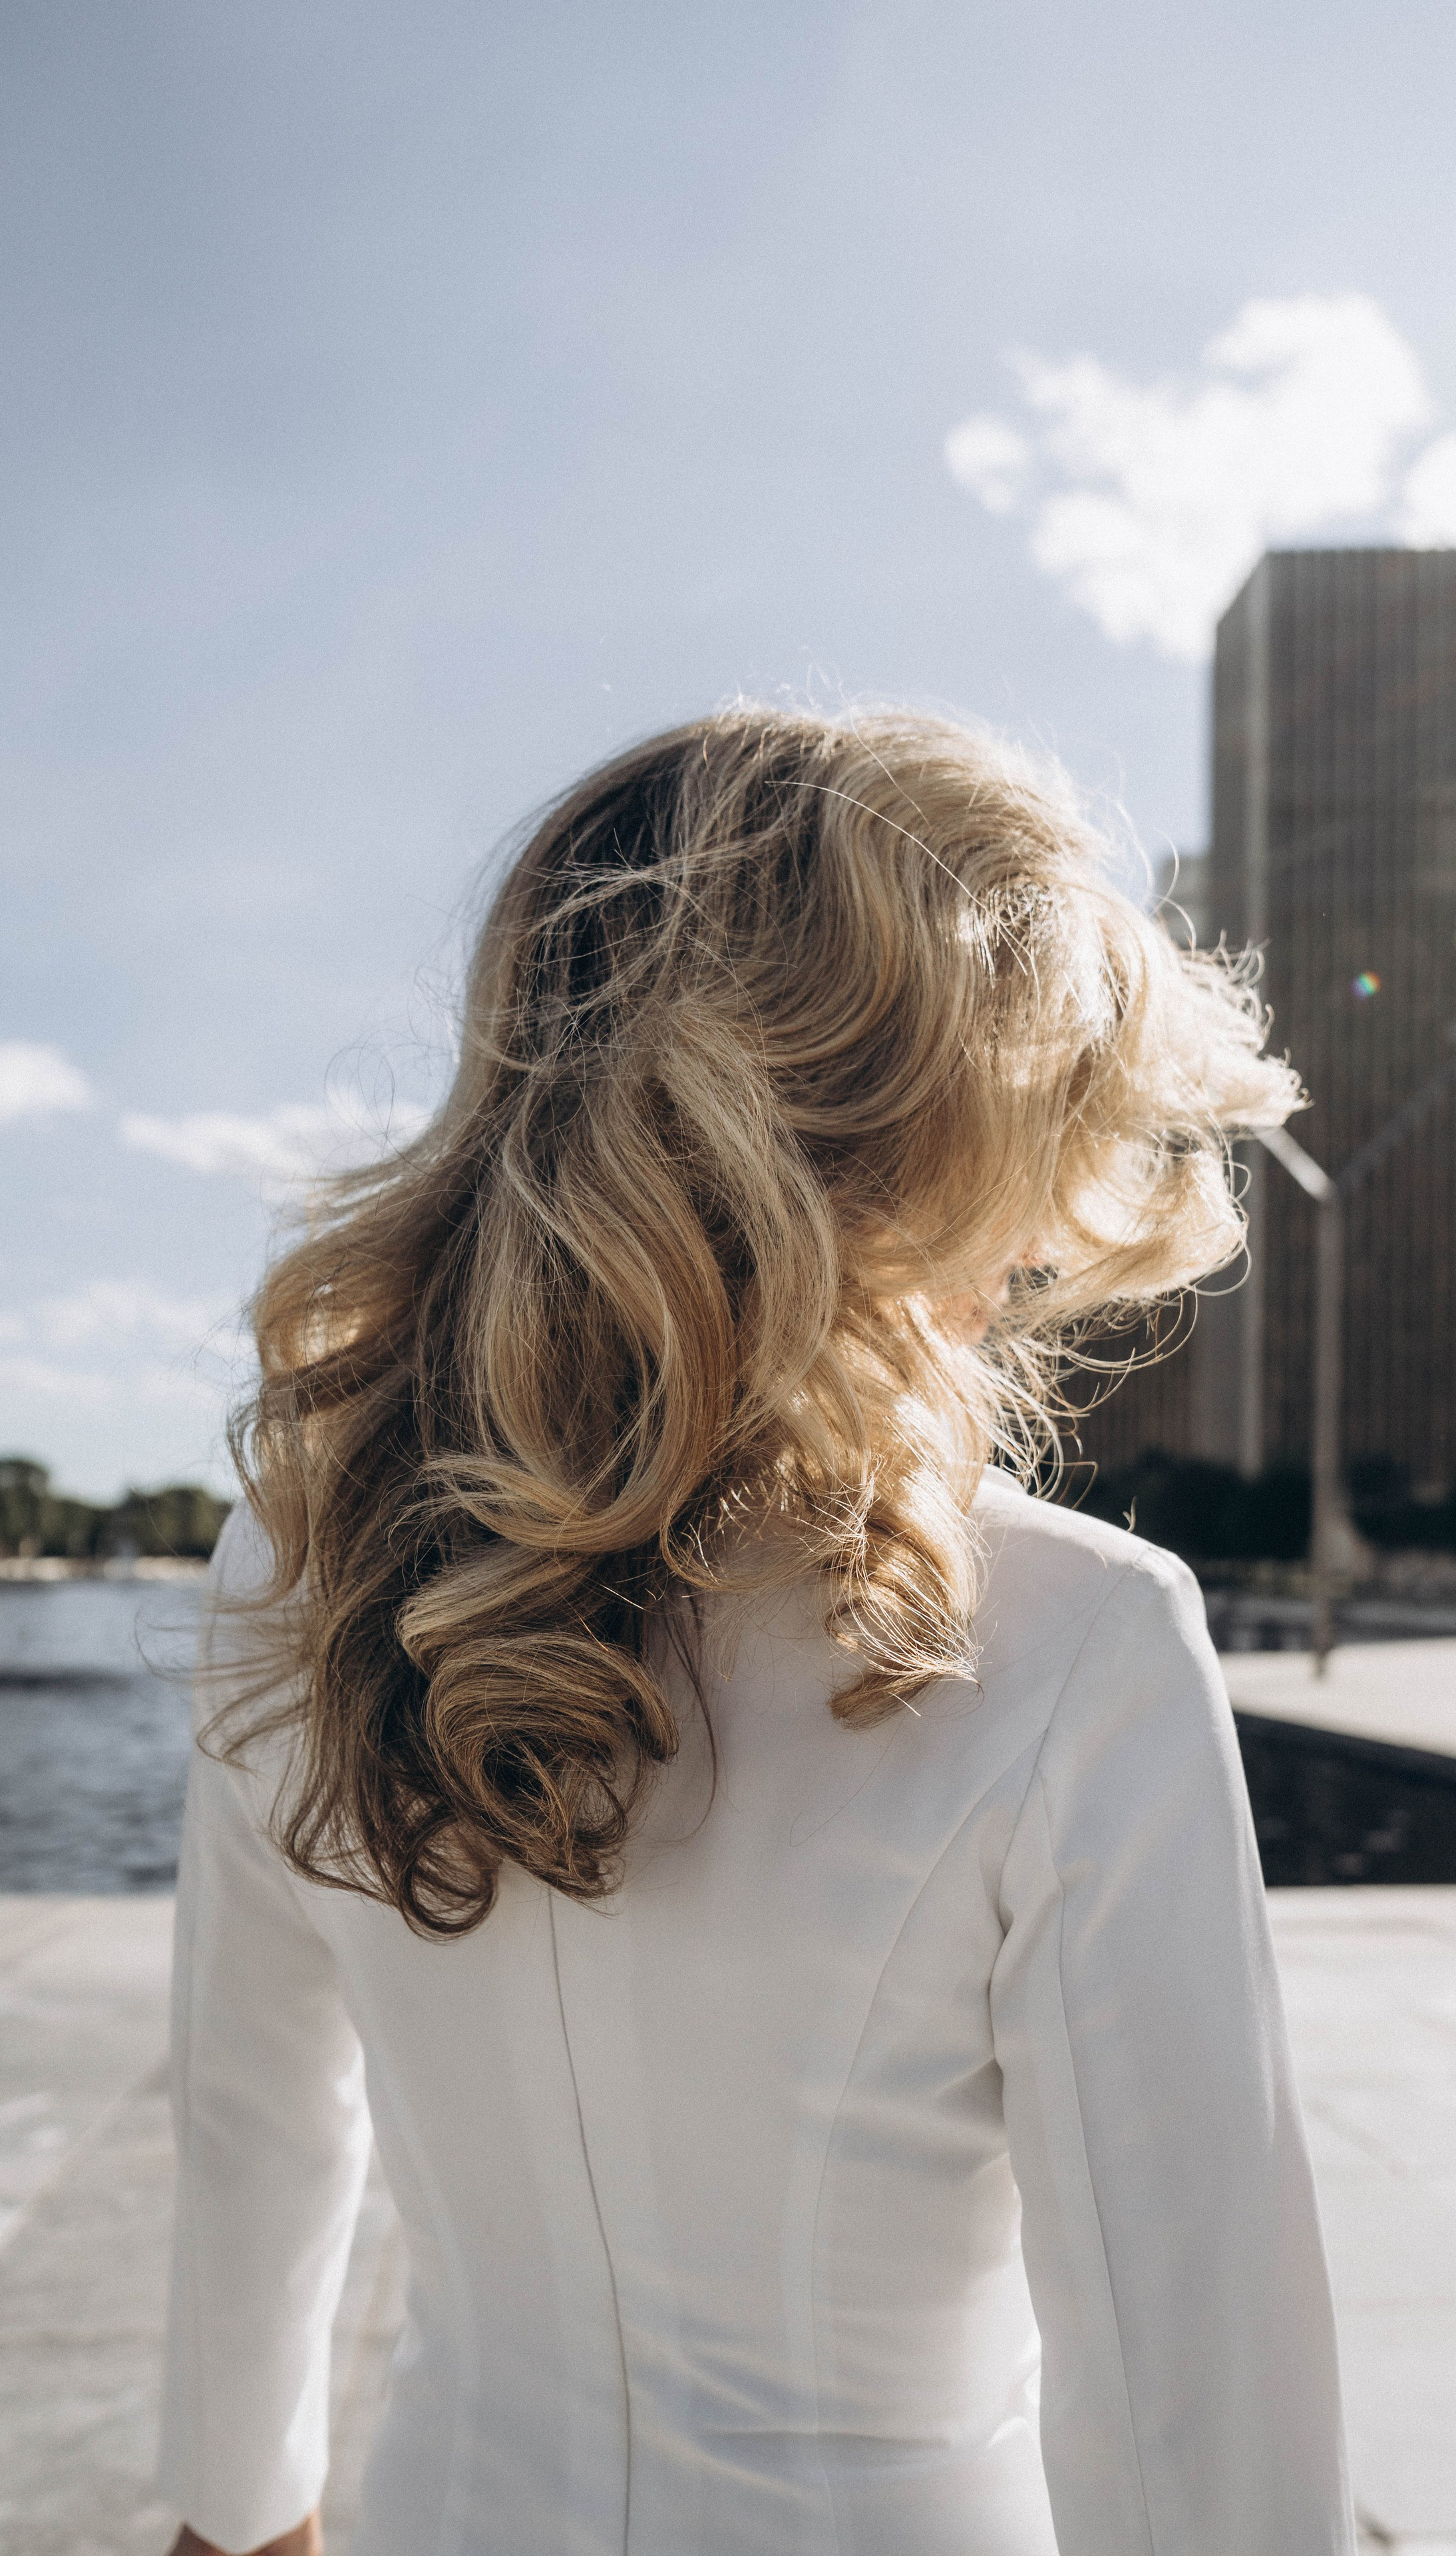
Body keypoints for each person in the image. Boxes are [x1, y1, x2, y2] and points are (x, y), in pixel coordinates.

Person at [158, 706, 1354, 2556]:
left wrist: (237, 2513)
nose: (1028, 1255)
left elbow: (254, 2121)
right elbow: (1184, 2371)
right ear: (905, 1140)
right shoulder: (1080, 1638)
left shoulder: (295, 1551)